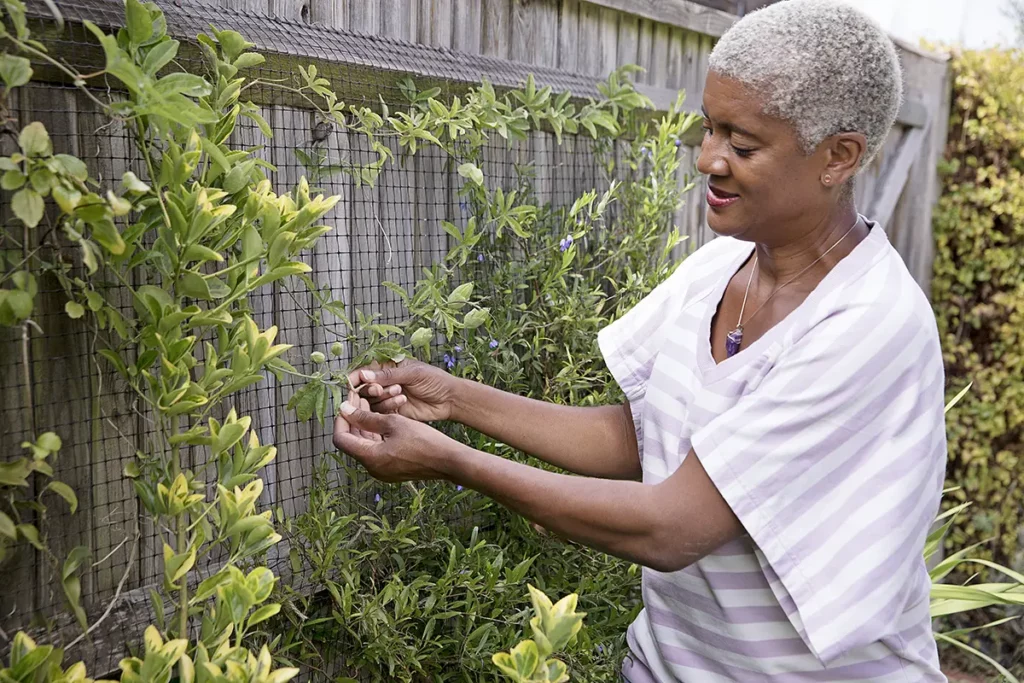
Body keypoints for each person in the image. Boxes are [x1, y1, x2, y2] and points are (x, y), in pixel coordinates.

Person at [332, 0, 948, 680]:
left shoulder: (869, 324)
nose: (708, 159)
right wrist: (453, 398)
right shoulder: (720, 268)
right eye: (709, 128)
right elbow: (642, 438)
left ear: (838, 156)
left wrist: (449, 461)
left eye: (742, 145)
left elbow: (673, 527)